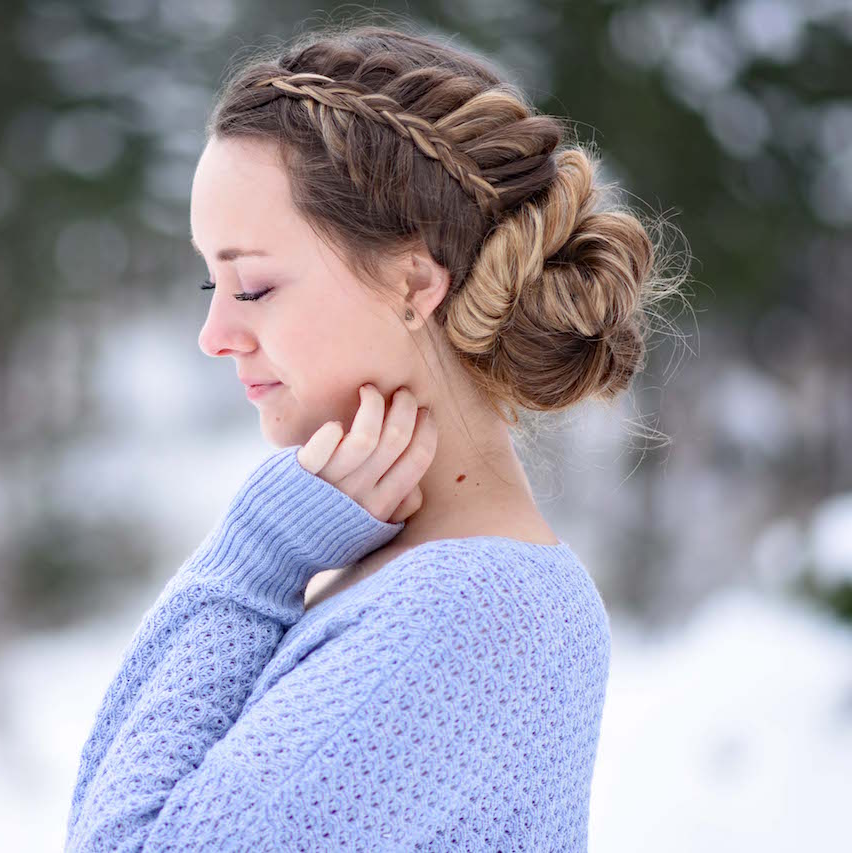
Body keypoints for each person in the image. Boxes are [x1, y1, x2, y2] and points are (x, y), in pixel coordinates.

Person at [65, 20, 684, 852]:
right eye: (212, 281)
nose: (213, 333)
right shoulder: (416, 584)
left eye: (251, 286)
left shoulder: (469, 614)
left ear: (413, 282)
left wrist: (254, 562)